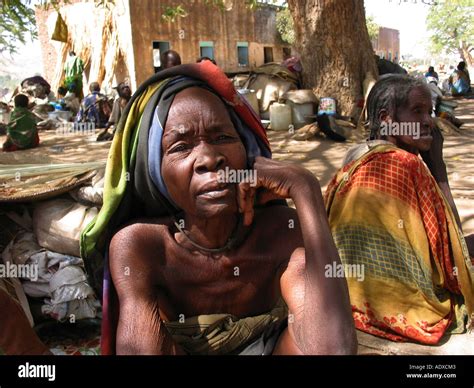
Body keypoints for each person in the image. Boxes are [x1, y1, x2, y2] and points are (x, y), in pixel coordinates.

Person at [81, 60, 357, 355]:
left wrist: (307, 192)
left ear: (248, 153)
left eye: (223, 138)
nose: (209, 158)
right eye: (181, 147)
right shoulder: (142, 246)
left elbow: (333, 349)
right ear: (155, 172)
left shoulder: (282, 232)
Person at [325, 75, 474, 345]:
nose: (428, 121)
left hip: (342, 295)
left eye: (429, 112)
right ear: (386, 118)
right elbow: (451, 257)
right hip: (402, 307)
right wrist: (438, 168)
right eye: (417, 111)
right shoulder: (407, 165)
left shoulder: (355, 157)